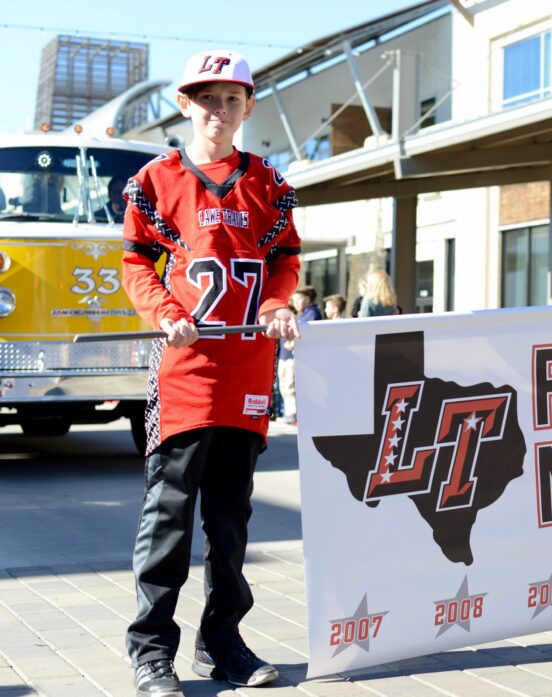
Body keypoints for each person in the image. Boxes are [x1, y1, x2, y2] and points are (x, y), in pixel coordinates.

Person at [120, 49, 301, 697]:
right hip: (185, 372)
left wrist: (279, 304)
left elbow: (284, 260)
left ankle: (221, 640)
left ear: (249, 106)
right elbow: (136, 263)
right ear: (185, 105)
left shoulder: (268, 184)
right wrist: (165, 310)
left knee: (231, 522)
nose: (218, 111)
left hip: (248, 370)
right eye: (206, 98)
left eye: (231, 99)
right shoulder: (158, 179)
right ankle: (150, 650)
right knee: (168, 516)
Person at [277, 287, 322, 426]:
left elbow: (308, 333)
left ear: (307, 299)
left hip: (294, 355)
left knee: (290, 385)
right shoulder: (300, 315)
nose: (295, 302)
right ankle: (289, 412)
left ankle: (293, 413)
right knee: (284, 385)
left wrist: (294, 342)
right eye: (294, 299)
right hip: (284, 355)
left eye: (298, 299)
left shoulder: (312, 313)